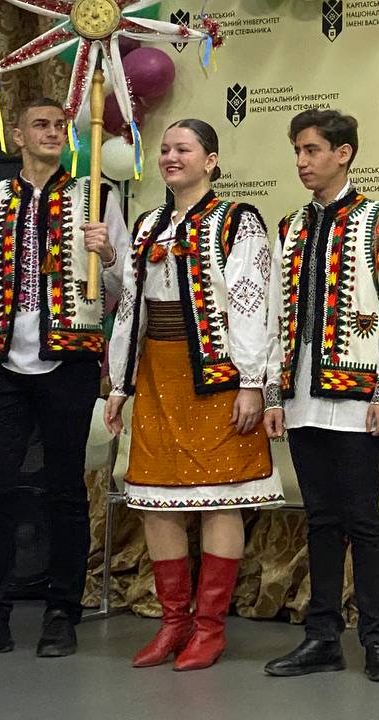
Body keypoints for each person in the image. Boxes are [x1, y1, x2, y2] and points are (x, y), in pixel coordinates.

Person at [0, 97, 128, 661]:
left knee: (65, 489)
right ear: (17, 135)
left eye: (60, 125)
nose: (52, 132)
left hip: (69, 360)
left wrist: (107, 255)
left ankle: (61, 613)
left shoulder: (97, 197)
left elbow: (123, 288)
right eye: (40, 125)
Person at [104, 119, 283, 671]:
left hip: (215, 373)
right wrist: (120, 382)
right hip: (159, 373)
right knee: (156, 499)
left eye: (183, 149)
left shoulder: (237, 220)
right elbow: (130, 306)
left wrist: (251, 381)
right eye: (164, 149)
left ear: (210, 160)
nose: (170, 157)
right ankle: (173, 623)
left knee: (219, 497)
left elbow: (252, 302)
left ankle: (209, 628)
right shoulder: (148, 224)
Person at [262, 110, 379, 683]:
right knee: (320, 519)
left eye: (312, 150)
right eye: (297, 151)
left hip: (356, 396)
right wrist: (274, 395)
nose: (302, 162)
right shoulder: (289, 227)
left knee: (364, 521)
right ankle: (322, 636)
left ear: (343, 154)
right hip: (301, 394)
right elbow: (276, 316)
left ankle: (377, 641)